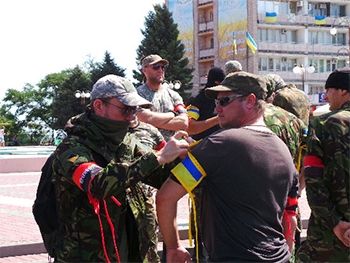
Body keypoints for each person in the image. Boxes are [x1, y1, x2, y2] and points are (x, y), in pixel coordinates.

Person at [156, 71, 299, 263]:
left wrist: (173, 248)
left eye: (224, 101)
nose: (217, 109)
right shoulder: (283, 150)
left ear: (250, 101)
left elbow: (165, 197)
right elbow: (289, 216)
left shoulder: (218, 144)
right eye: (216, 103)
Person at [51, 74, 189, 262]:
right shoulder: (72, 148)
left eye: (134, 110)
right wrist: (157, 157)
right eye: (125, 109)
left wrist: (186, 160)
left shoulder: (128, 143)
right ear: (99, 106)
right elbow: (97, 184)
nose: (131, 117)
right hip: (88, 256)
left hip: (135, 251)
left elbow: (162, 179)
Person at [296, 68, 350, 262]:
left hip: (328, 238)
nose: (325, 97)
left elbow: (313, 181)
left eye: (328, 90)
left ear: (343, 91)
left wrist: (335, 223)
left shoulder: (323, 125)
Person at [263, 75, 308, 254]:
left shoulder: (278, 103)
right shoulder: (300, 95)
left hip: (278, 167)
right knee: (293, 209)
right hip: (297, 158)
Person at [185, 66, 225, 262]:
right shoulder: (198, 101)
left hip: (222, 162)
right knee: (201, 214)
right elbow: (189, 126)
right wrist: (215, 120)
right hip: (201, 159)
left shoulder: (224, 100)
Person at [137, 54, 189, 141]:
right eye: (156, 66)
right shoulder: (137, 94)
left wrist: (153, 121)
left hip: (173, 148)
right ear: (145, 70)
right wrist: (172, 114)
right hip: (148, 149)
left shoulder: (173, 95)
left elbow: (184, 122)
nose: (160, 70)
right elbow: (144, 118)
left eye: (163, 67)